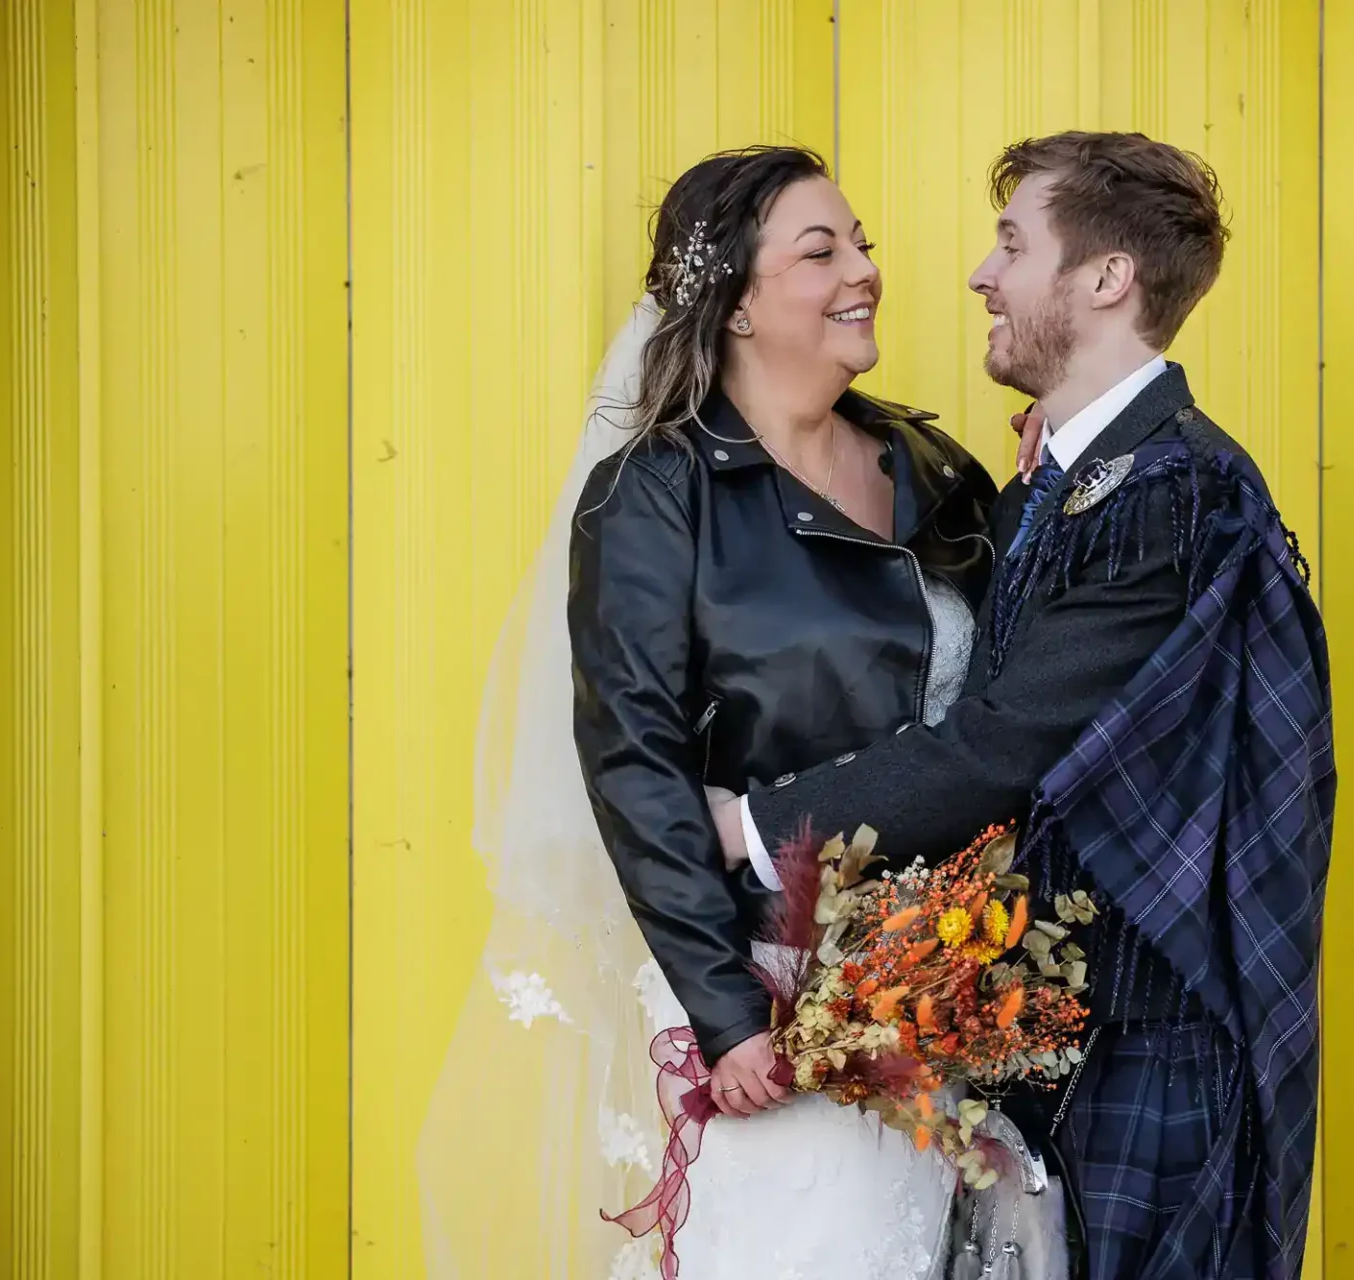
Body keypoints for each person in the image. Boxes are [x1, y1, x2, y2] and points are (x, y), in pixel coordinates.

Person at [421, 143, 1061, 1280]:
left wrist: (1043, 496)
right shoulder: (655, 498)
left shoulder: (935, 468)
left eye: (862, 243)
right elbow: (635, 762)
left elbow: (1007, 702)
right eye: (822, 251)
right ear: (735, 305)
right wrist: (727, 1017)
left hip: (950, 986)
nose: (863, 269)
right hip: (773, 993)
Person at [710, 131, 1336, 1279]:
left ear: (1106, 278)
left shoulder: (1175, 493)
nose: (980, 275)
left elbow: (1000, 744)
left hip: (1150, 1049)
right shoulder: (1082, 477)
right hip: (1055, 1042)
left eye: (1012, 244)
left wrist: (750, 826)